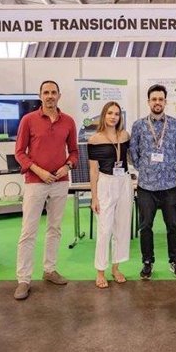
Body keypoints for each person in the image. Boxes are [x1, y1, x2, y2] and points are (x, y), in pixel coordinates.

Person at [13, 80, 78, 300]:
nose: (50, 96)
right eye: (46, 92)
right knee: (28, 231)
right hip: (35, 182)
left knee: (55, 228)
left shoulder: (68, 121)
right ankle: (23, 280)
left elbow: (75, 152)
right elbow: (20, 152)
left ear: (59, 95)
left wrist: (67, 166)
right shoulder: (28, 120)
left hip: (60, 183)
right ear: (40, 95)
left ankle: (49, 270)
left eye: (53, 92)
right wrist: (38, 171)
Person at [130, 84, 176, 279]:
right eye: (154, 99)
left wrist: (168, 166)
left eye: (160, 99)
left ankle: (175, 260)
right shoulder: (138, 125)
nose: (157, 102)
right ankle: (147, 262)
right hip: (146, 186)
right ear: (148, 102)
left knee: (173, 226)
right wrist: (144, 168)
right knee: (145, 227)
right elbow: (133, 152)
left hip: (170, 185)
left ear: (165, 101)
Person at [88, 102, 132, 289]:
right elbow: (93, 170)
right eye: (110, 113)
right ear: (103, 115)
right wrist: (94, 197)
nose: (113, 117)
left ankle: (116, 267)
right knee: (104, 229)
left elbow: (129, 158)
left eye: (116, 114)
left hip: (124, 182)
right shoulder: (95, 139)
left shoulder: (125, 135)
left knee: (121, 227)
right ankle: (100, 270)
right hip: (105, 183)